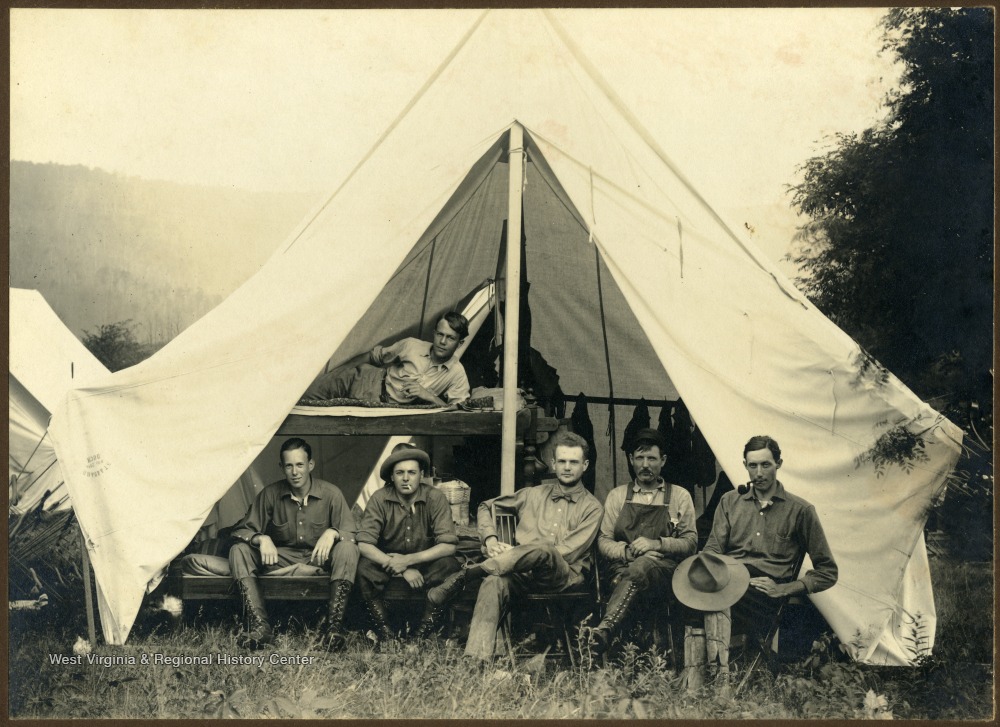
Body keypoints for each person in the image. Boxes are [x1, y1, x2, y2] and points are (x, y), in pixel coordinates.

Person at [427, 432, 603, 661]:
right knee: (493, 582)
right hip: (521, 573)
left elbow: (566, 552)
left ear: (585, 465)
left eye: (573, 462)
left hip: (562, 577)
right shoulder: (532, 494)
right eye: (562, 461)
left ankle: (469, 573)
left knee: (545, 547)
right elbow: (485, 506)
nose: (567, 467)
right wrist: (490, 539)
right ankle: (476, 658)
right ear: (553, 463)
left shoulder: (593, 508)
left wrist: (515, 554)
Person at [675, 435, 838, 641]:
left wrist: (783, 589)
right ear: (745, 465)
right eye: (753, 466)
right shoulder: (730, 501)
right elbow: (713, 551)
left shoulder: (801, 510)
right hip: (727, 580)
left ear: (778, 464)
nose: (759, 473)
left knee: (707, 606)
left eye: (766, 465)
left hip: (763, 592)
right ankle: (702, 665)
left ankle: (716, 666)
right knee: (680, 594)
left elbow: (828, 572)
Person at [229, 438, 359, 650]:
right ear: (281, 467)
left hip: (319, 558)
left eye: (300, 465)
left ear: (311, 465)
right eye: (289, 466)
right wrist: (260, 538)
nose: (295, 472)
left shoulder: (331, 494)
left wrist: (333, 532)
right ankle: (261, 628)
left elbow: (353, 533)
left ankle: (334, 630)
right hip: (281, 559)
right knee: (239, 549)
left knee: (347, 547)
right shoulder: (270, 494)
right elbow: (241, 531)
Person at [584, 428, 698, 654]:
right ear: (630, 459)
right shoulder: (617, 496)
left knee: (644, 565)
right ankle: (640, 648)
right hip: (621, 569)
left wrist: (658, 544)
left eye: (652, 458)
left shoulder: (679, 496)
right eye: (640, 458)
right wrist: (627, 552)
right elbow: (603, 540)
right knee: (636, 568)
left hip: (664, 573)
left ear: (663, 460)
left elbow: (691, 542)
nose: (645, 464)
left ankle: (606, 629)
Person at [356, 443, 462, 641]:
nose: (406, 478)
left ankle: (421, 634)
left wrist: (409, 560)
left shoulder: (435, 498)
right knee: (364, 569)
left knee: (450, 566)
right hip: (388, 565)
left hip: (426, 565)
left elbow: (448, 545)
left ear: (421, 474)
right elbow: (364, 544)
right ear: (391, 476)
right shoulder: (379, 499)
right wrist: (402, 568)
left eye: (412, 472)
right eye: (399, 473)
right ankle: (385, 633)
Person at [303, 312, 471, 407]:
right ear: (434, 333)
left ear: (460, 343)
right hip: (367, 379)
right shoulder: (412, 345)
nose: (442, 342)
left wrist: (429, 396)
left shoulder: (457, 373)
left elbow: (459, 411)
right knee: (300, 399)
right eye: (440, 334)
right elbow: (372, 356)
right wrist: (338, 373)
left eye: (450, 338)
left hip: (381, 404)